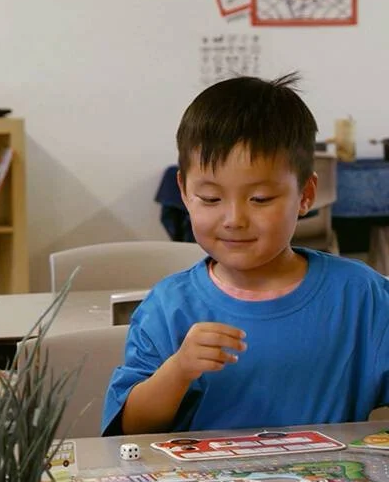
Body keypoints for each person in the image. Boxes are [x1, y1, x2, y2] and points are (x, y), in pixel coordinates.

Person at [103, 74, 389, 436]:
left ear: (305, 195)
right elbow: (130, 430)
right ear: (184, 193)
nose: (234, 219)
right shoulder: (169, 306)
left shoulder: (360, 295)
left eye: (260, 199)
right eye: (210, 198)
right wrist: (178, 371)